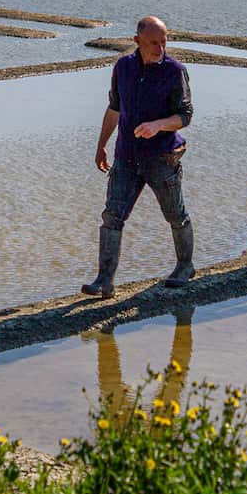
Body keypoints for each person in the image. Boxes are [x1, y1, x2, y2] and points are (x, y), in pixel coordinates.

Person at [82, 16, 195, 299]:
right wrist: (101, 145)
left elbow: (185, 116)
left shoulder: (175, 71)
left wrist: (158, 125)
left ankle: (184, 266)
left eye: (163, 42)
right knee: (112, 217)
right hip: (126, 158)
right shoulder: (123, 67)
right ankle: (104, 281)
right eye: (153, 43)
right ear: (137, 42)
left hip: (162, 157)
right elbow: (114, 109)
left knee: (175, 215)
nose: (159, 48)